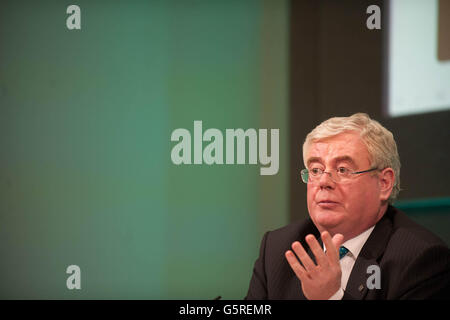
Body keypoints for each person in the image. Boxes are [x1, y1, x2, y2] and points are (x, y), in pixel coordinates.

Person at [245, 113, 450, 300]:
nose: (323, 181)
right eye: (315, 169)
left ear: (384, 183)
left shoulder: (420, 260)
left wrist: (331, 297)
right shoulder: (278, 249)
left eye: (342, 169)